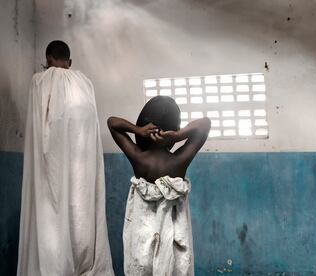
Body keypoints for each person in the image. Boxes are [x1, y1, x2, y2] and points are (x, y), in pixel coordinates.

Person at [17, 40, 114, 276]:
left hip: (54, 165)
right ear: (69, 62)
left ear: (48, 60)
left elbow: (38, 134)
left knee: (51, 207)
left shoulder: (40, 81)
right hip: (82, 166)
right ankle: (85, 263)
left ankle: (54, 265)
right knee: (80, 212)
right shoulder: (85, 84)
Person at [107, 96, 210, 275]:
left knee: (142, 266)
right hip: (172, 239)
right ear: (174, 128)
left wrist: (137, 130)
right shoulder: (178, 162)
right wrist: (179, 135)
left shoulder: (139, 158)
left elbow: (112, 123)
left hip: (142, 235)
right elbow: (205, 124)